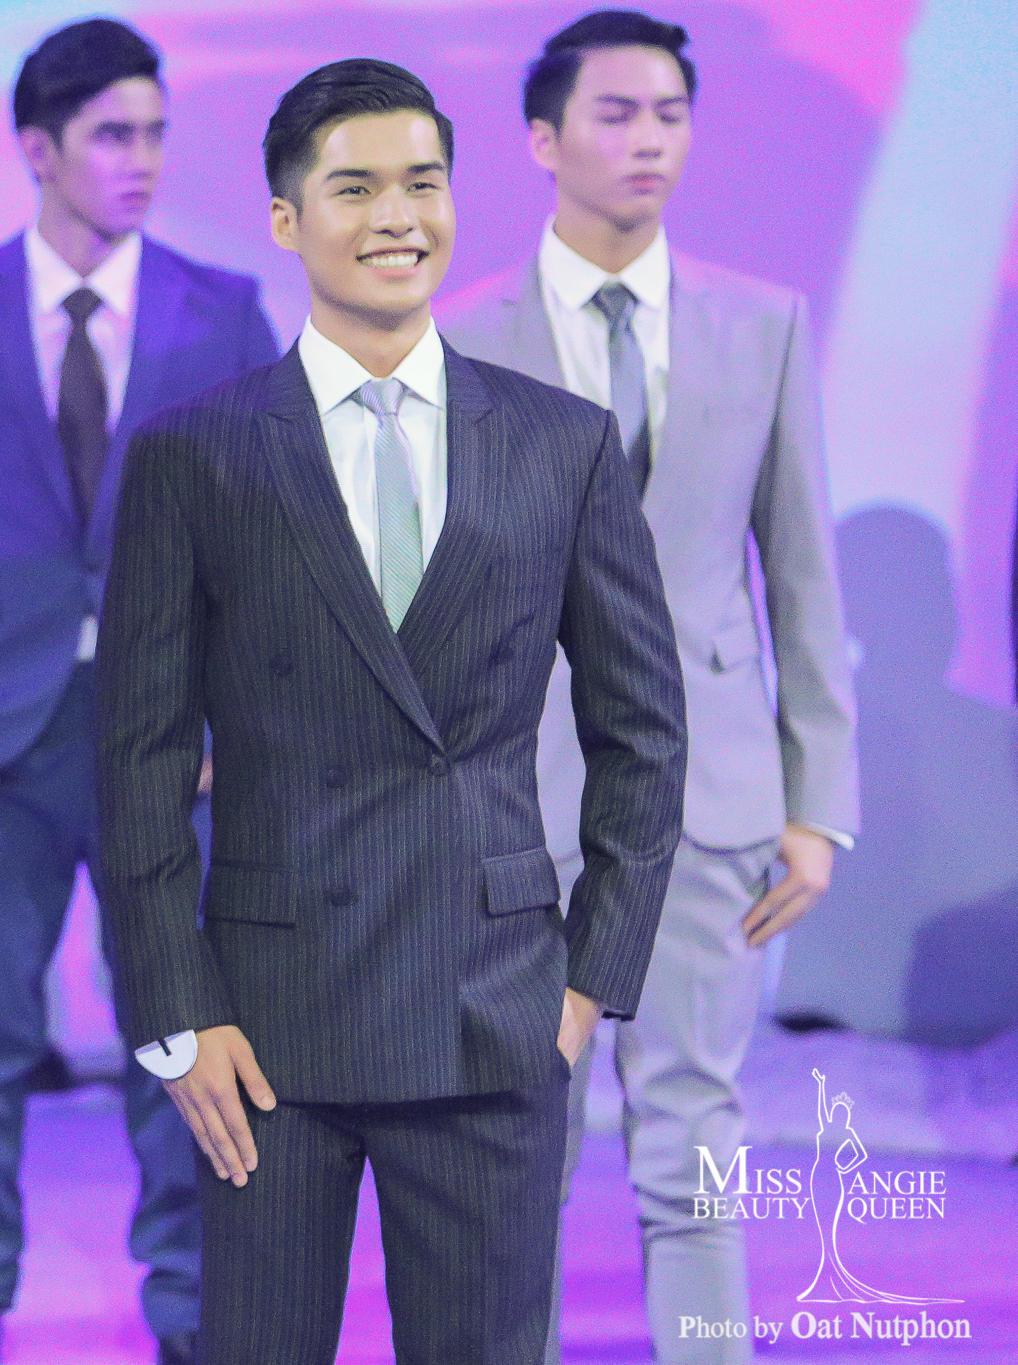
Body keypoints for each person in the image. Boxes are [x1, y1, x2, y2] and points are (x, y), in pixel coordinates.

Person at [96, 59, 688, 1364]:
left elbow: (644, 730)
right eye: (354, 187)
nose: (396, 216)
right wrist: (177, 1014)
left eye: (422, 183)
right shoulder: (197, 451)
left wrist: (588, 983)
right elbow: (137, 759)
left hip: (493, 1007)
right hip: (265, 1023)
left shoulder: (558, 443)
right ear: (285, 218)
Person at [440, 14, 858, 1363]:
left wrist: (816, 805)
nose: (649, 141)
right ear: (542, 139)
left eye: (670, 114)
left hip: (709, 796)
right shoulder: (461, 335)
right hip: (518, 801)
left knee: (695, 1139)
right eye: (616, 113)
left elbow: (800, 576)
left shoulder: (762, 322)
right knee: (520, 1138)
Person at [0, 18, 278, 1365]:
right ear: (37, 149)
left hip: (175, 741)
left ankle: (192, 1314)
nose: (141, 159)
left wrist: (233, 720)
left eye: (154, 133)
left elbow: (272, 540)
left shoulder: (223, 309)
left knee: (183, 1038)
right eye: (112, 136)